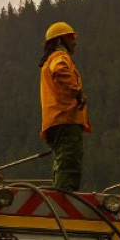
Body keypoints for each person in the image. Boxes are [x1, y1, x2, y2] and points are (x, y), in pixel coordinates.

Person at [39, 21, 92, 191]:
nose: (74, 42)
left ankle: (60, 195)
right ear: (60, 41)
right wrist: (77, 91)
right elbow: (60, 70)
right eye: (70, 38)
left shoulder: (50, 60)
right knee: (69, 164)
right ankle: (65, 199)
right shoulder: (60, 57)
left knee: (62, 164)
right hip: (66, 119)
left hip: (56, 120)